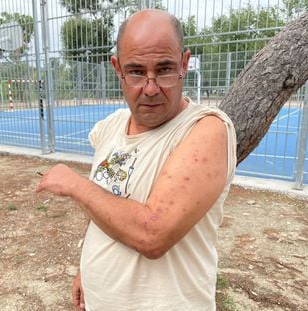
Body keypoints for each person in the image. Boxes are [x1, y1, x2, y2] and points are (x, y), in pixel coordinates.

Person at [36, 8, 236, 311]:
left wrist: (75, 185)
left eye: (165, 69)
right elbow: (104, 204)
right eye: (137, 72)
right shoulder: (111, 127)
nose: (151, 87)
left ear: (184, 63)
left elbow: (151, 235)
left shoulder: (206, 129)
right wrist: (85, 269)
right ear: (118, 68)